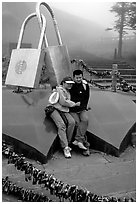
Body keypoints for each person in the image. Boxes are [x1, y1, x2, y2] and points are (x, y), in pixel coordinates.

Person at [49, 76, 80, 159]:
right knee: (61, 125)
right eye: (68, 83)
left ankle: (67, 142)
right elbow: (63, 102)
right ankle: (65, 147)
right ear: (63, 83)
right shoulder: (59, 90)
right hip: (54, 109)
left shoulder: (67, 91)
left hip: (64, 110)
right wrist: (74, 104)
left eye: (71, 84)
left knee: (72, 122)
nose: (70, 85)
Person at [69, 69, 90, 156]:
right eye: (77, 78)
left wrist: (84, 107)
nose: (78, 79)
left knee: (85, 120)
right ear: (73, 77)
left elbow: (86, 97)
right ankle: (85, 145)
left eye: (80, 78)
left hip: (81, 109)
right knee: (78, 124)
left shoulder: (85, 86)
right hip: (72, 110)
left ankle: (78, 140)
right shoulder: (70, 85)